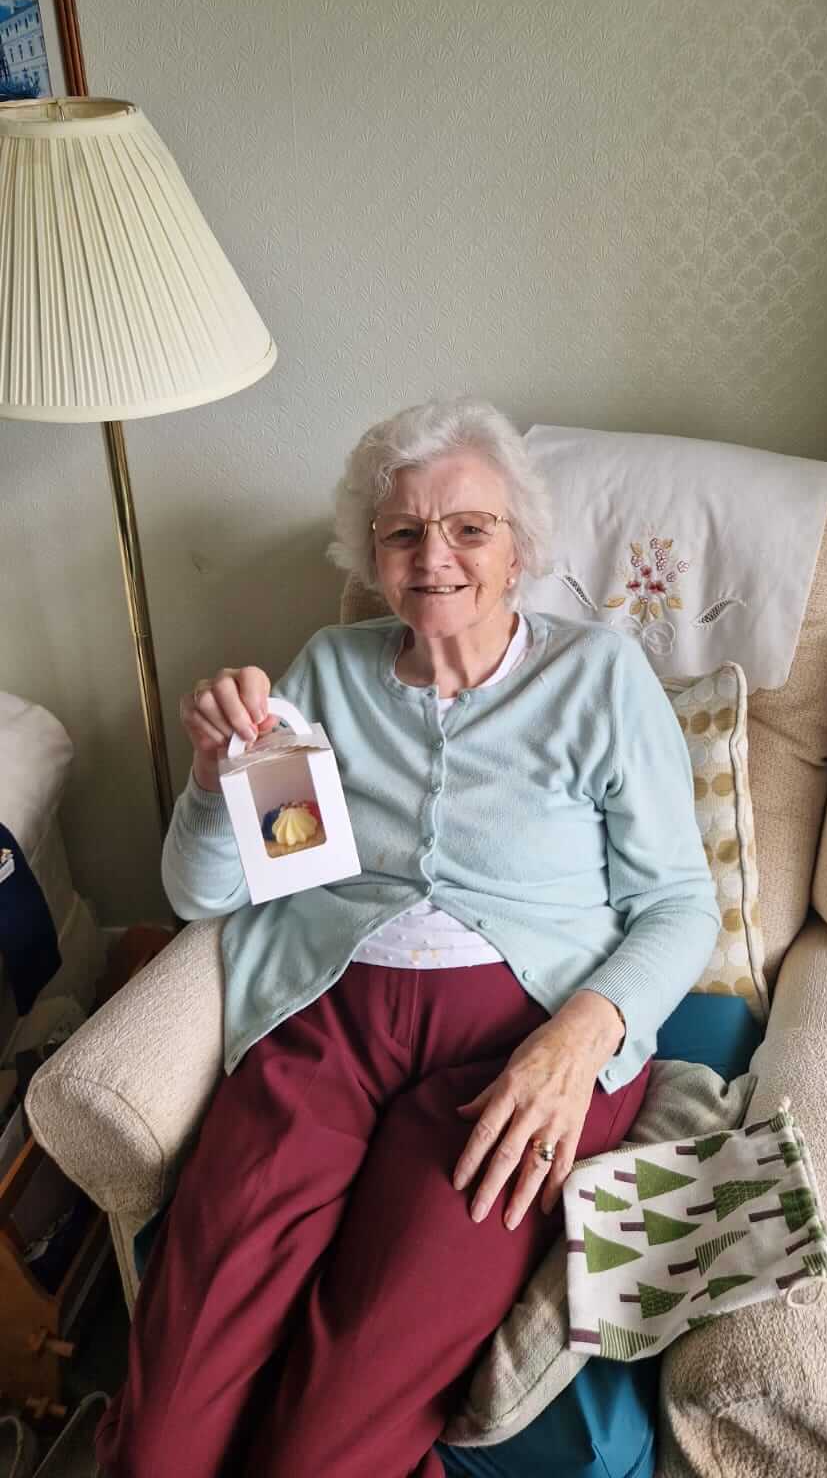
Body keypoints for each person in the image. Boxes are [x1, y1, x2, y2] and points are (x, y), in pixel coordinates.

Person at [95, 398, 720, 1478]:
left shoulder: (598, 678)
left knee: (333, 1434)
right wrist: (212, 784)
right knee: (164, 1421)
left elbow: (680, 904)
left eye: (470, 527)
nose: (436, 558)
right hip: (323, 1025)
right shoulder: (326, 676)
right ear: (372, 554)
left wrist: (580, 1043)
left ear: (520, 546)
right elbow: (209, 892)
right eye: (403, 533)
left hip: (523, 1048)